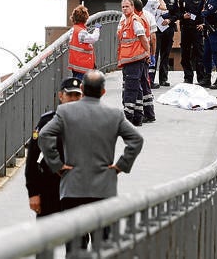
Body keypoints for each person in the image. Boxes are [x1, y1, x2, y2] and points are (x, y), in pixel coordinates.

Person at [38, 70, 144, 247]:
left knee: (74, 247)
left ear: (82, 88)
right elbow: (136, 140)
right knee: (103, 244)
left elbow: (44, 135)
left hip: (72, 188)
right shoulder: (115, 115)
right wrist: (120, 166)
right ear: (103, 91)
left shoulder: (65, 112)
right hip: (103, 189)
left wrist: (57, 164)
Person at [24, 77, 82, 216]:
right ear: (61, 96)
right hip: (50, 188)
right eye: (70, 95)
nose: (73, 99)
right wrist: (33, 193)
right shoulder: (47, 122)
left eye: (77, 95)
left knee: (76, 236)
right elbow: (32, 159)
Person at [117, 0, 150, 126]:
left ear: (132, 7)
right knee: (136, 88)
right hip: (129, 60)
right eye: (123, 7)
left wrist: (147, 52)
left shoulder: (135, 21)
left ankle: (128, 116)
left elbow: (143, 38)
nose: (124, 9)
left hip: (135, 59)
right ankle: (137, 117)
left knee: (130, 88)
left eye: (127, 6)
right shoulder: (126, 21)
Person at [133, 0, 156, 123]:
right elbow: (153, 38)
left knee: (136, 86)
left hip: (135, 57)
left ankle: (138, 114)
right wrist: (152, 54)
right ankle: (149, 113)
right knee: (145, 84)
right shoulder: (149, 16)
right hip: (144, 56)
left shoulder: (131, 18)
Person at [178, 0, 205, 84]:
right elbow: (178, 13)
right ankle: (188, 77)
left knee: (199, 53)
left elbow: (204, 13)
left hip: (197, 29)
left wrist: (203, 24)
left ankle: (201, 78)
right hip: (186, 29)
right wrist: (183, 16)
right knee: (185, 54)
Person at [155, 0, 180, 87]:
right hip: (156, 30)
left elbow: (178, 14)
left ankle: (163, 79)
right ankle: (150, 79)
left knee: (165, 55)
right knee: (154, 55)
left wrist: (170, 20)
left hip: (168, 29)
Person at [144, 0, 166, 88]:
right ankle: (149, 81)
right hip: (149, 29)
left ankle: (149, 80)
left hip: (148, 28)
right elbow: (164, 7)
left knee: (151, 54)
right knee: (152, 53)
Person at [68, 5, 100, 80]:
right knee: (83, 87)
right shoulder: (81, 32)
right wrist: (97, 28)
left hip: (75, 64)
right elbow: (94, 38)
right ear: (85, 18)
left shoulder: (73, 30)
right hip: (83, 65)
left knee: (76, 85)